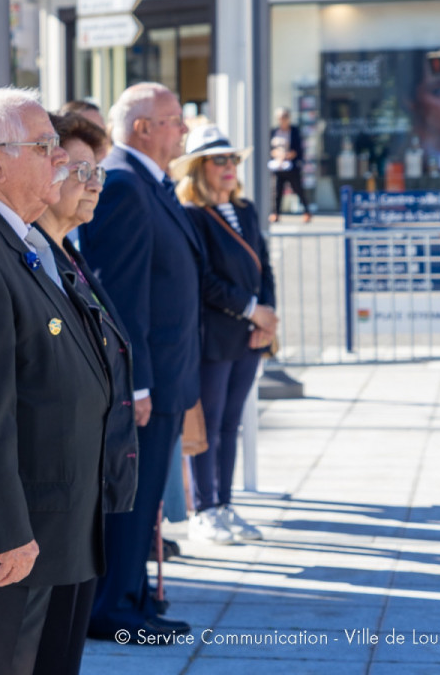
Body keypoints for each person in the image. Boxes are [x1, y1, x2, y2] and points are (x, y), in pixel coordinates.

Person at [0, 88, 110, 674]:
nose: (61, 162)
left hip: (54, 518)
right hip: (20, 535)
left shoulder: (13, 233)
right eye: (44, 148)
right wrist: (6, 528)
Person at [82, 82, 204, 644]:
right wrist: (138, 383)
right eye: (175, 119)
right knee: (132, 503)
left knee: (149, 497)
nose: (184, 129)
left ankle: (134, 599)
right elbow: (122, 295)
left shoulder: (149, 181)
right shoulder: (125, 185)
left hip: (169, 375)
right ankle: (114, 608)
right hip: (148, 381)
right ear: (142, 129)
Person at [33, 110, 139, 674]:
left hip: (82, 497)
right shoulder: (30, 253)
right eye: (79, 170)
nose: (93, 184)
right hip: (46, 504)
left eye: (98, 173)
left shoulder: (66, 252)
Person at [173, 124, 277, 545]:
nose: (230, 166)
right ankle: (204, 508)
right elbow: (205, 280)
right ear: (200, 167)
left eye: (233, 158)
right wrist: (254, 312)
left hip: (249, 336)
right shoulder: (192, 215)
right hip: (215, 336)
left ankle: (226, 502)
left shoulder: (247, 209)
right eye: (220, 159)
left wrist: (266, 319)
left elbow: (263, 267)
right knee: (208, 425)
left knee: (231, 424)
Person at [269, 107, 311, 222]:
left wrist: (287, 155)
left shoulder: (294, 131)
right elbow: (269, 148)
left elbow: (299, 149)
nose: (282, 120)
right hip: (278, 166)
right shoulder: (274, 131)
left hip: (291, 167)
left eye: (284, 117)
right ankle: (276, 213)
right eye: (280, 118)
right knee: (277, 191)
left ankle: (307, 212)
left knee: (298, 190)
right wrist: (276, 155)